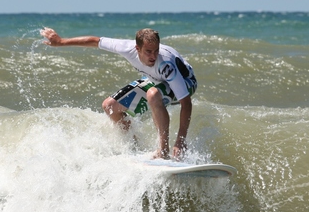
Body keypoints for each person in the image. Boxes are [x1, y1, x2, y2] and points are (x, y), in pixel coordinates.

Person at [40, 27, 197, 160]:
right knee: (110, 106)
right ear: (137, 49)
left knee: (152, 94)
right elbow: (96, 41)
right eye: (148, 51)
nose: (153, 56)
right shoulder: (126, 48)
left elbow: (186, 102)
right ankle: (135, 146)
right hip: (155, 80)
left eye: (156, 51)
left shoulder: (165, 64)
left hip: (186, 83)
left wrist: (180, 140)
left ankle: (163, 152)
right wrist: (61, 42)